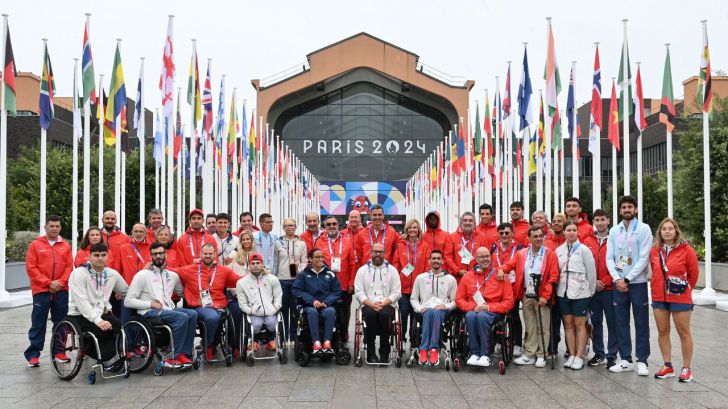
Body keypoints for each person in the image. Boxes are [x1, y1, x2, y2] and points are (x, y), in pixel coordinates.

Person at [124, 242, 197, 368]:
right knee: (181, 317)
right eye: (154, 254)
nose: (158, 256)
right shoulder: (142, 275)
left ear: (166, 254)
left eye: (160, 253)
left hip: (167, 309)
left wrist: (200, 296)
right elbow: (128, 301)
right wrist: (150, 304)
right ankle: (172, 356)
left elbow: (183, 293)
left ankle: (184, 353)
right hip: (149, 312)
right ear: (150, 256)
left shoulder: (172, 276)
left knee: (192, 313)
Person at [499, 226, 559, 368]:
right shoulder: (522, 253)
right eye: (535, 236)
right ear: (529, 238)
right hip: (527, 293)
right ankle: (530, 353)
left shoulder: (549, 254)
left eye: (541, 236)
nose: (539, 239)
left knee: (543, 326)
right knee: (530, 324)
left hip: (542, 294)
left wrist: (545, 296)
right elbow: (509, 265)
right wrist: (501, 269)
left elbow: (553, 276)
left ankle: (541, 354)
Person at [606, 195, 652, 376]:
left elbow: (644, 257)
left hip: (637, 283)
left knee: (641, 323)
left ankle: (642, 360)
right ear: (620, 210)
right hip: (618, 284)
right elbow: (609, 257)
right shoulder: (614, 231)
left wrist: (628, 279)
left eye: (630, 207)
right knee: (620, 323)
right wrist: (618, 278)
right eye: (624, 207)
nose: (627, 210)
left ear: (636, 210)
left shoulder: (643, 228)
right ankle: (625, 359)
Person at [650, 218, 699, 383]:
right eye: (664, 229)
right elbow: (654, 270)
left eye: (670, 228)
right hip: (659, 296)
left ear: (676, 231)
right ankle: (667, 366)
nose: (667, 231)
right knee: (663, 332)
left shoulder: (687, 250)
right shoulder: (655, 250)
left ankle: (686, 368)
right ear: (660, 232)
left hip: (680, 297)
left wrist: (684, 289)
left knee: (683, 332)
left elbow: (693, 274)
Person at [24, 215, 74, 367]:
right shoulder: (35, 245)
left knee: (61, 322)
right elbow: (31, 268)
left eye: (57, 226)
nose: (54, 229)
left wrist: (60, 283)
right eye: (51, 226)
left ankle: (59, 352)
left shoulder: (65, 246)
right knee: (38, 323)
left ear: (60, 228)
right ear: (45, 227)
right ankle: (33, 355)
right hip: (41, 290)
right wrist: (47, 283)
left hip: (61, 290)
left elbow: (68, 267)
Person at [66, 243, 128, 362]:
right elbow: (81, 301)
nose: (100, 258)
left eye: (103, 255)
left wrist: (145, 302)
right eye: (96, 255)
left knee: (117, 323)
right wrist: (98, 321)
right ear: (89, 257)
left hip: (102, 313)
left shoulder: (112, 274)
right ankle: (91, 348)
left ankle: (113, 353)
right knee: (99, 331)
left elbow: (126, 292)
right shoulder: (79, 273)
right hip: (80, 314)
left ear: (108, 256)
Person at [177, 243, 240, 360]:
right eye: (205, 253)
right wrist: (151, 265)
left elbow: (240, 280)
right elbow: (172, 271)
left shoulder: (224, 270)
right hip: (199, 306)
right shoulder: (190, 269)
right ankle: (208, 345)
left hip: (218, 305)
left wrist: (259, 273)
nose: (207, 256)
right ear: (201, 254)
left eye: (210, 253)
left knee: (217, 316)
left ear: (215, 255)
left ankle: (210, 344)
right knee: (212, 318)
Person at [456, 247, 514, 367]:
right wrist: (472, 307)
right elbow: (459, 299)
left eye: (487, 256)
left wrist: (488, 307)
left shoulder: (500, 275)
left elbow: (509, 302)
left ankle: (485, 354)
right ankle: (475, 353)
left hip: (494, 311)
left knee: (482, 316)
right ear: (476, 259)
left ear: (490, 257)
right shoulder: (467, 277)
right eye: (481, 257)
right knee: (471, 316)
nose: (485, 259)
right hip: (474, 309)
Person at [556, 221, 597, 370]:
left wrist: (590, 291)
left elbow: (591, 272)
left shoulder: (584, 250)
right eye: (568, 230)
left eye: (574, 230)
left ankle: (579, 356)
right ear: (564, 232)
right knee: (568, 325)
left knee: (580, 325)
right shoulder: (559, 250)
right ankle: (572, 354)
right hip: (563, 292)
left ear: (577, 232)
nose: (571, 232)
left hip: (581, 293)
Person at [354, 243, 402, 363]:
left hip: (387, 304)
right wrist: (370, 303)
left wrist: (385, 302)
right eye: (375, 252)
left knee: (385, 315)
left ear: (385, 253)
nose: (378, 254)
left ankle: (384, 354)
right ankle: (371, 354)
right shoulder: (362, 270)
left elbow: (397, 292)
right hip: (368, 304)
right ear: (371, 253)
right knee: (370, 315)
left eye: (381, 252)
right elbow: (358, 291)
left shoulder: (392, 270)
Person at [410, 250, 457, 365]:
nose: (436, 261)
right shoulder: (420, 278)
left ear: (442, 261)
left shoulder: (450, 279)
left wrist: (445, 306)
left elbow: (456, 301)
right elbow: (413, 299)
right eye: (433, 258)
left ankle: (429, 348)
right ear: (429, 261)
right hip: (425, 310)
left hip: (443, 311)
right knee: (431, 312)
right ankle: (429, 349)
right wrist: (419, 308)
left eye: (438, 258)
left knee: (435, 312)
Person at [293, 248, 342, 355]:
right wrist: (312, 300)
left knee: (330, 311)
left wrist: (327, 302)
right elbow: (296, 290)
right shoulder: (304, 274)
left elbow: (337, 291)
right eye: (317, 257)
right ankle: (316, 343)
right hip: (309, 306)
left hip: (326, 306)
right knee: (312, 312)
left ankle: (327, 342)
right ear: (310, 259)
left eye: (322, 257)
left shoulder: (330, 274)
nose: (320, 259)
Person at [314, 216, 356, 341]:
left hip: (343, 283)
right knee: (327, 310)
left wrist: (351, 283)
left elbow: (353, 263)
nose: (332, 226)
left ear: (339, 225)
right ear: (325, 226)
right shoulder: (319, 241)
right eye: (329, 224)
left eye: (334, 223)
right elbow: (315, 263)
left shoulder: (348, 240)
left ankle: (343, 335)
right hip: (325, 285)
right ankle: (327, 337)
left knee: (344, 312)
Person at [391, 219, 431, 345]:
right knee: (403, 313)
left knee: (416, 314)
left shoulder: (425, 245)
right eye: (410, 227)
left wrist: (423, 280)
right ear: (406, 229)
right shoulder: (400, 245)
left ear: (418, 229)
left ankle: (415, 340)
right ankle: (401, 339)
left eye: (415, 227)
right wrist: (400, 276)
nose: (412, 230)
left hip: (419, 289)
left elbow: (428, 265)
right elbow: (395, 263)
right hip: (404, 287)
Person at [587, 209, 618, 368]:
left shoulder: (616, 239)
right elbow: (583, 264)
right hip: (593, 290)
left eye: (602, 219)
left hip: (610, 289)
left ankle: (612, 355)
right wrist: (593, 282)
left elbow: (621, 263)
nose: (599, 223)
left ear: (608, 221)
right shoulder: (587, 240)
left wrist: (604, 281)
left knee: (613, 323)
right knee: (595, 322)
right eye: (596, 220)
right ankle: (599, 353)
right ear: (593, 222)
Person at [236, 252, 283, 351]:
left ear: (262, 264)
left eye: (258, 263)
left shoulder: (273, 279)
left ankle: (270, 340)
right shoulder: (241, 282)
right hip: (254, 313)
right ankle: (254, 341)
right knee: (256, 325)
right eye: (253, 263)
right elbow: (242, 303)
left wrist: (274, 308)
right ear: (249, 266)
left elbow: (278, 296)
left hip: (270, 311)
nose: (256, 265)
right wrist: (251, 311)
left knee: (272, 324)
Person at [491, 222, 524, 357]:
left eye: (507, 233)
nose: (504, 235)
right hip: (497, 286)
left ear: (512, 233)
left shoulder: (519, 248)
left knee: (514, 315)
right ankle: (499, 341)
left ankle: (517, 344)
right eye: (501, 233)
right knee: (498, 315)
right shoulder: (494, 247)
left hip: (513, 286)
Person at [275, 218, 308, 341]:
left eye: (292, 225)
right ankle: (283, 337)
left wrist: (299, 270)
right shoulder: (278, 243)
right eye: (287, 225)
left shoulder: (302, 243)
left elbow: (304, 261)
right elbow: (275, 261)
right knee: (283, 309)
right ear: (283, 227)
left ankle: (294, 337)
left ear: (296, 227)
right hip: (282, 280)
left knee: (295, 310)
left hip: (296, 280)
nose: (290, 227)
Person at [543, 213, 566, 356]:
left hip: (568, 284)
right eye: (554, 221)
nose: (556, 223)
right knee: (553, 319)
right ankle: (552, 347)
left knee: (569, 319)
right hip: (552, 285)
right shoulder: (546, 242)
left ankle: (572, 349)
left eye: (559, 221)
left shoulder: (570, 240)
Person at [444, 212, 486, 283]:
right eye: (465, 220)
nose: (468, 222)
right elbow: (448, 257)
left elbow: (484, 256)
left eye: (470, 220)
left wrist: (475, 271)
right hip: (457, 278)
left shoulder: (481, 237)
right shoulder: (451, 237)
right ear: (460, 223)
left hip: (476, 276)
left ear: (475, 224)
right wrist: (457, 271)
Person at [354, 204, 398, 269]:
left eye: (379, 215)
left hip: (385, 271)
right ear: (371, 216)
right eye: (374, 215)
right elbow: (359, 255)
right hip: (367, 271)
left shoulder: (392, 232)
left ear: (383, 216)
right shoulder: (361, 234)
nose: (377, 217)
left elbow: (395, 253)